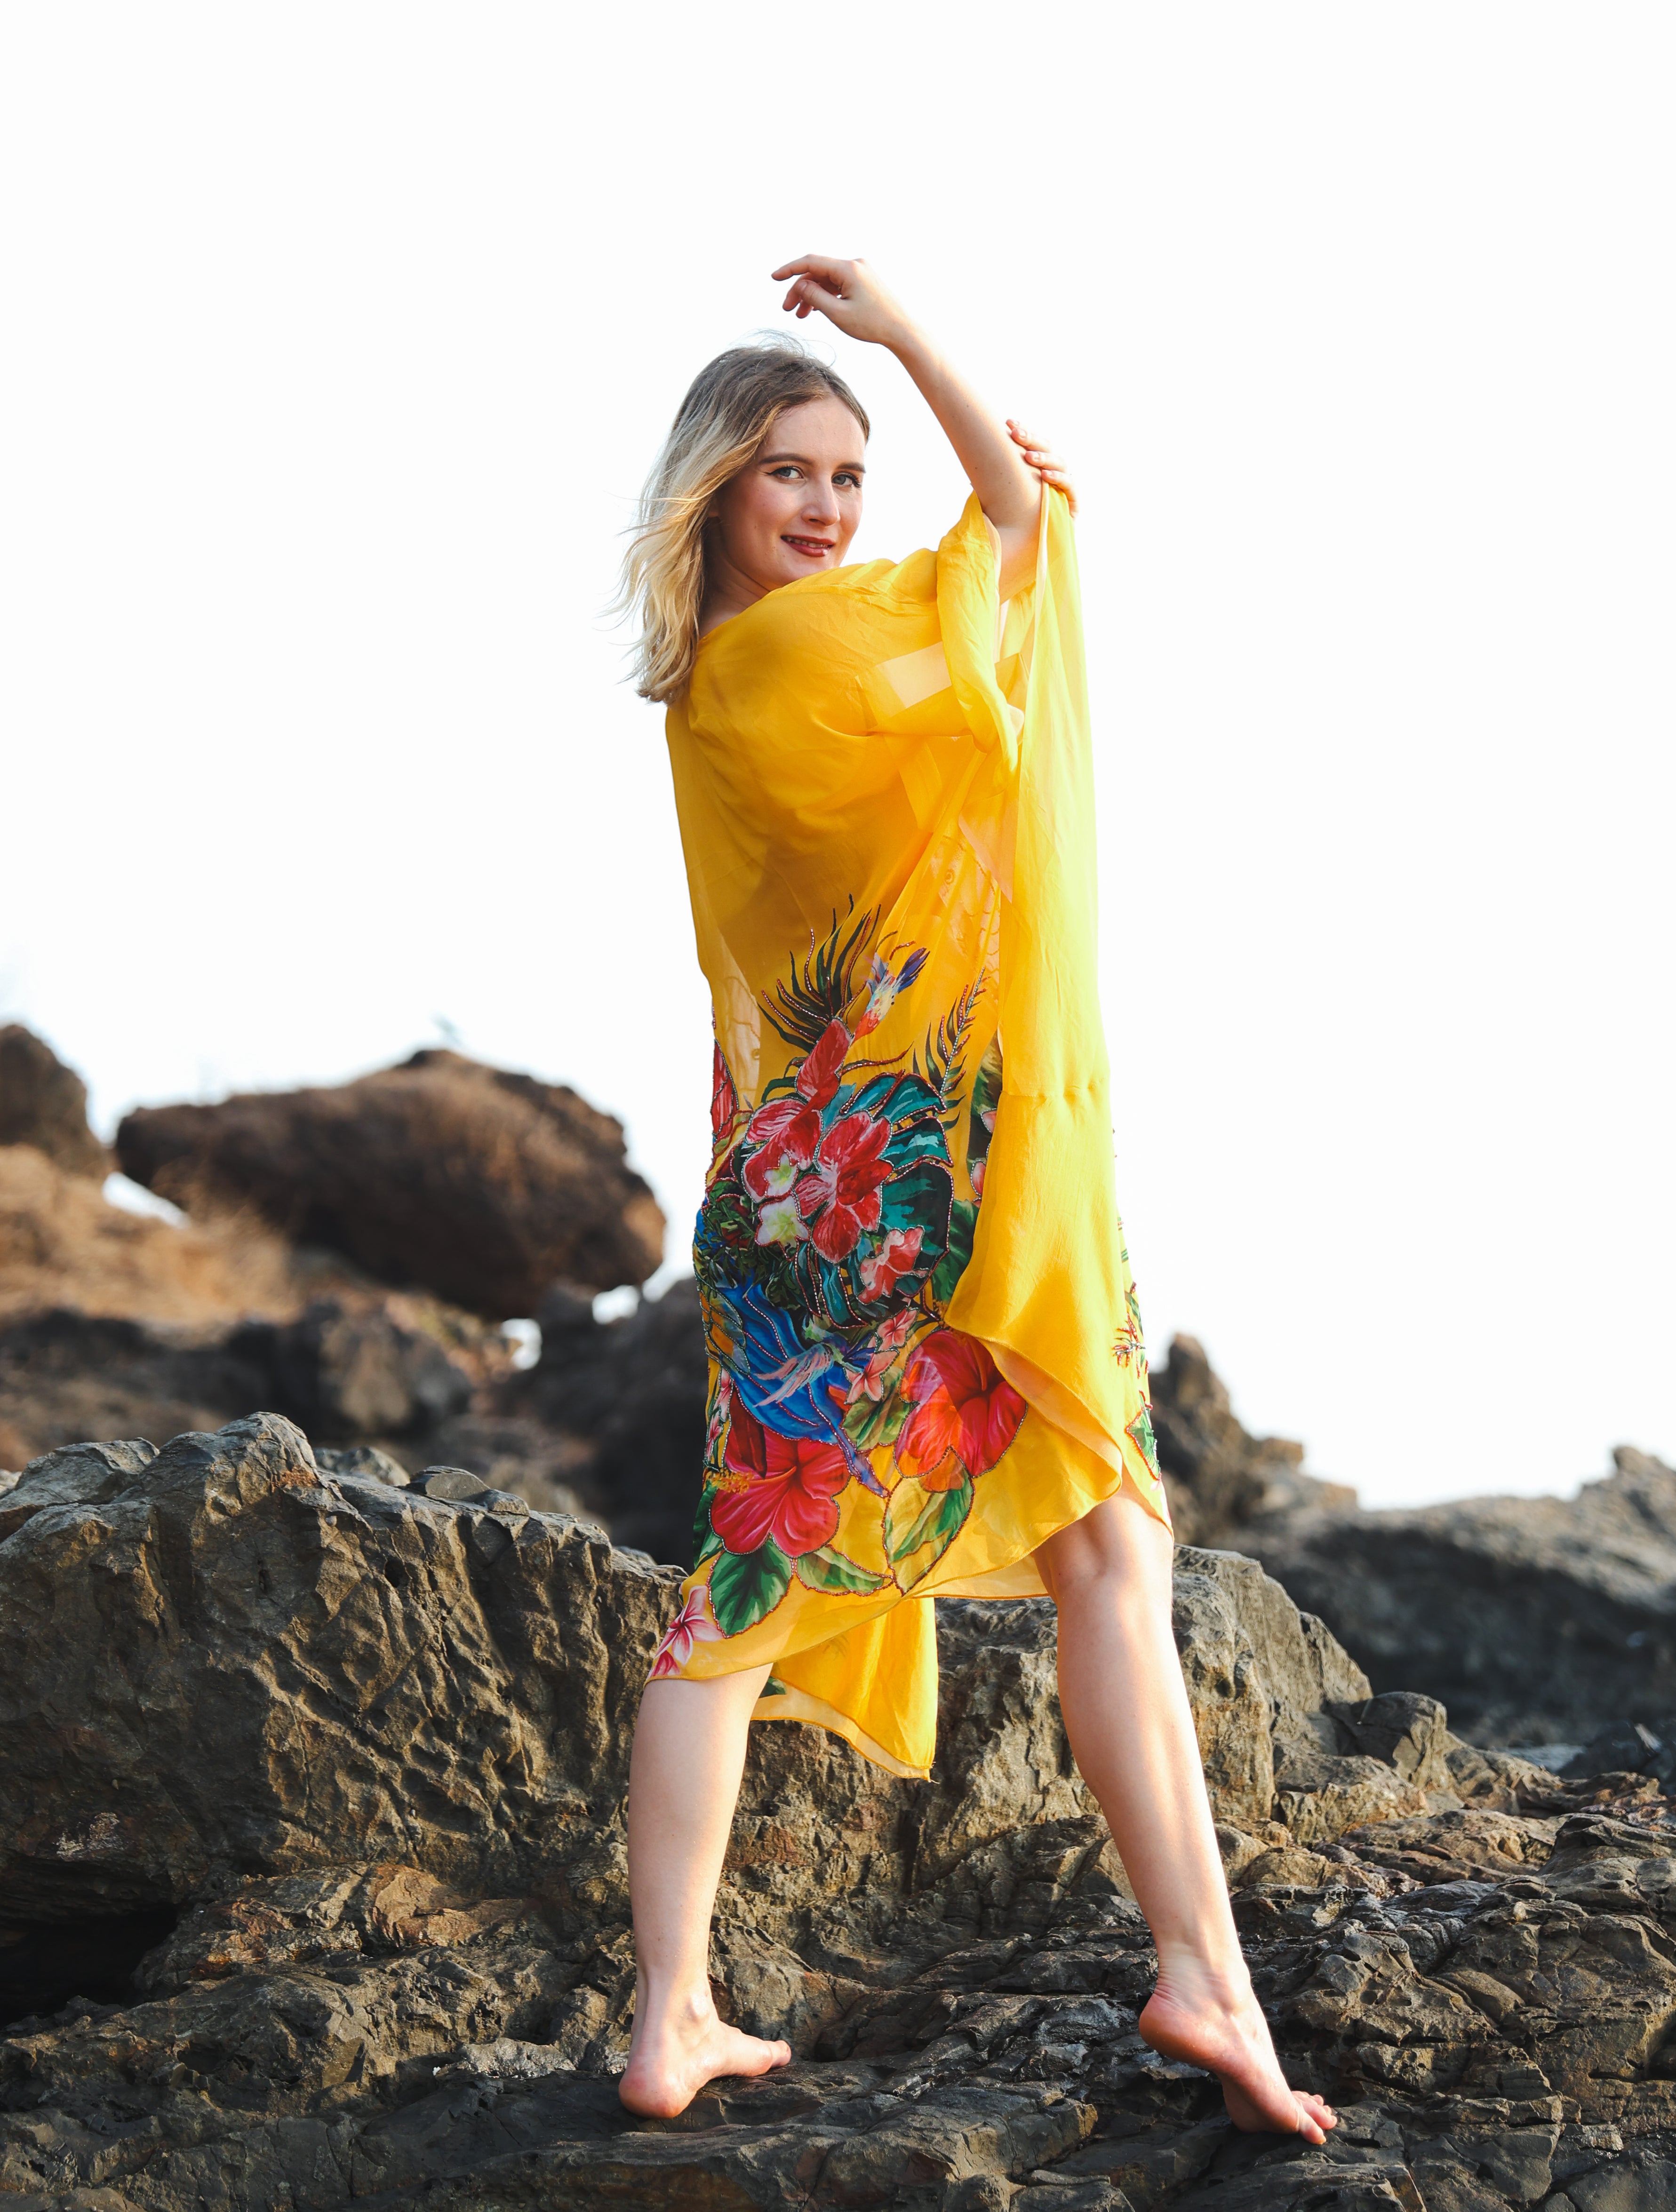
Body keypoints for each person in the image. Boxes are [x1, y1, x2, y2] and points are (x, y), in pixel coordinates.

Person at [614, 256, 1334, 2144]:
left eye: (849, 477)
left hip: (839, 1181)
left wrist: (933, 415)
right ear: (718, 488)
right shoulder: (799, 654)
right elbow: (1007, 537)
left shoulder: (733, 674)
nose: (829, 506)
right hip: (903, 1179)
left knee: (844, 1572)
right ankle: (1191, 1976)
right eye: (792, 472)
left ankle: (681, 2013)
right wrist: (912, 339)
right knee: (1043, 1552)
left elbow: (987, 566)